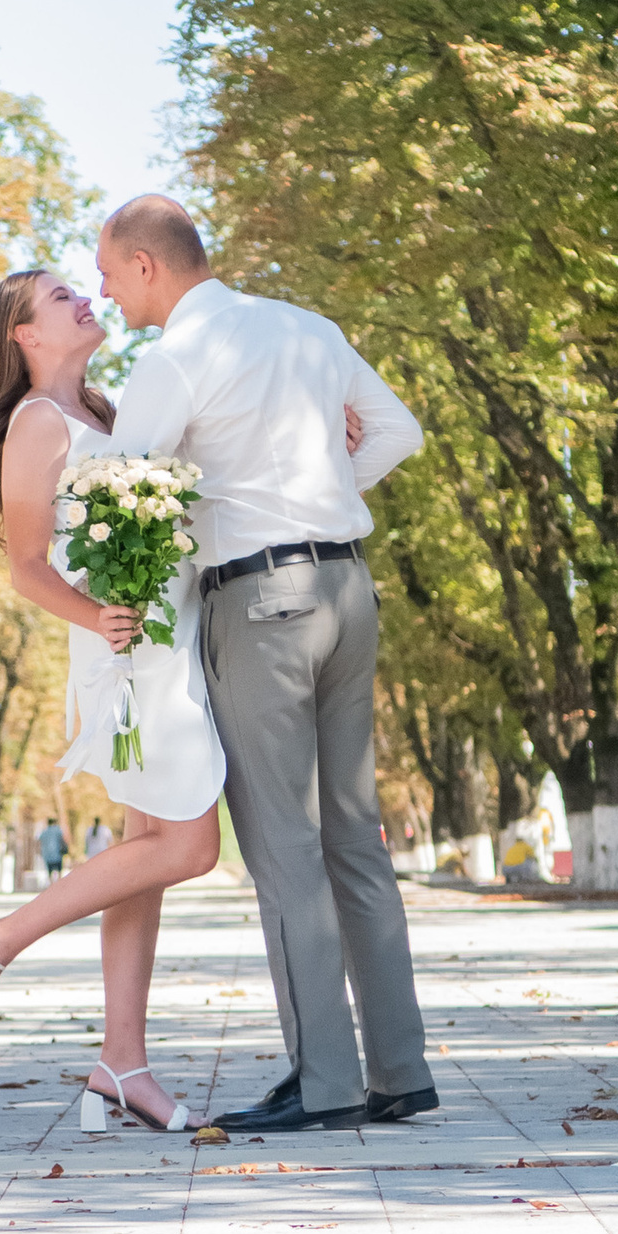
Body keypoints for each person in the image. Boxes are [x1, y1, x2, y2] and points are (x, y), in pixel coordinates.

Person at [100, 195, 437, 1133]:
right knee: (354, 836)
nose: (107, 293)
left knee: (285, 845)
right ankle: (400, 1071)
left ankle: (323, 1082)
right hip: (348, 589)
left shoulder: (175, 358)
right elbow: (399, 431)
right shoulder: (308, 328)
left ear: (146, 265)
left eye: (109, 274)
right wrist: (319, 496)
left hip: (260, 604)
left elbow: (122, 494)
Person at [0, 267, 226, 1131]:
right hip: (125, 652)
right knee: (190, 844)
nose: (83, 298)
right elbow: (25, 567)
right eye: (59, 297)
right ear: (23, 335)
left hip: (159, 640)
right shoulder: (37, 423)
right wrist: (99, 617)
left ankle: (122, 1063)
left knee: (145, 853)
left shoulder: (103, 411)